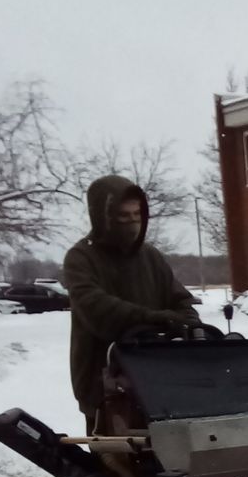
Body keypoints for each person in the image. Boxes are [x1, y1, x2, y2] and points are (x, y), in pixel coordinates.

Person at [62, 175, 200, 437]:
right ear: (103, 217)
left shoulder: (151, 256)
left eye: (137, 215)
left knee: (167, 460)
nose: (132, 223)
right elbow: (98, 310)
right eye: (123, 216)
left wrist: (185, 321)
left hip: (158, 381)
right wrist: (155, 319)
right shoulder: (81, 258)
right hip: (104, 383)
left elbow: (180, 299)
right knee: (114, 465)